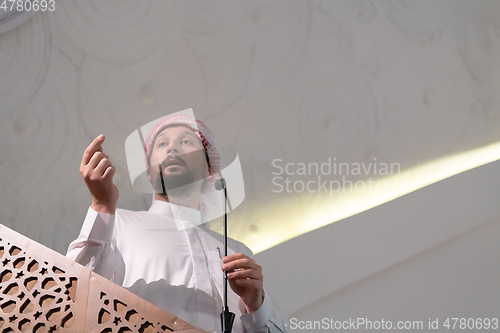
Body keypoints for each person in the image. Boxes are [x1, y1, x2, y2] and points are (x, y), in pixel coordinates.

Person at [66, 114, 288, 333]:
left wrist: (256, 307)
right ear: (149, 174)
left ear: (208, 169)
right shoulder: (117, 223)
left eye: (186, 141)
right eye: (162, 144)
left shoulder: (238, 250)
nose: (172, 149)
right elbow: (73, 295)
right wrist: (102, 206)